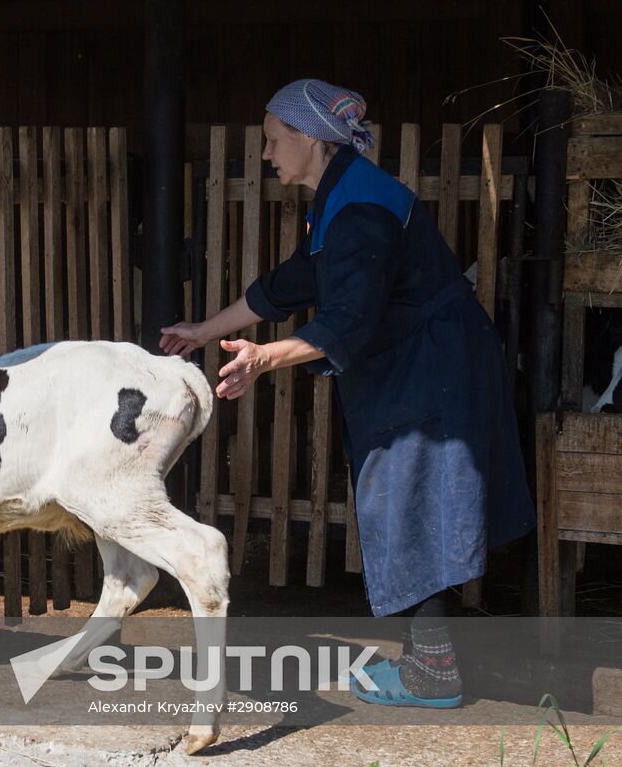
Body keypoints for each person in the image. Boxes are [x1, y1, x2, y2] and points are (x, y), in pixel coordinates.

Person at [159, 79, 534, 708]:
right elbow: (293, 282)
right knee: (411, 504)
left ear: (311, 139)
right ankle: (429, 670)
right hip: (419, 364)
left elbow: (348, 321)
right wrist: (204, 332)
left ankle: (433, 677)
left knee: (413, 505)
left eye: (275, 141)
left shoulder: (359, 208)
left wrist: (265, 357)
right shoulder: (342, 196)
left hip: (431, 369)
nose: (267, 154)